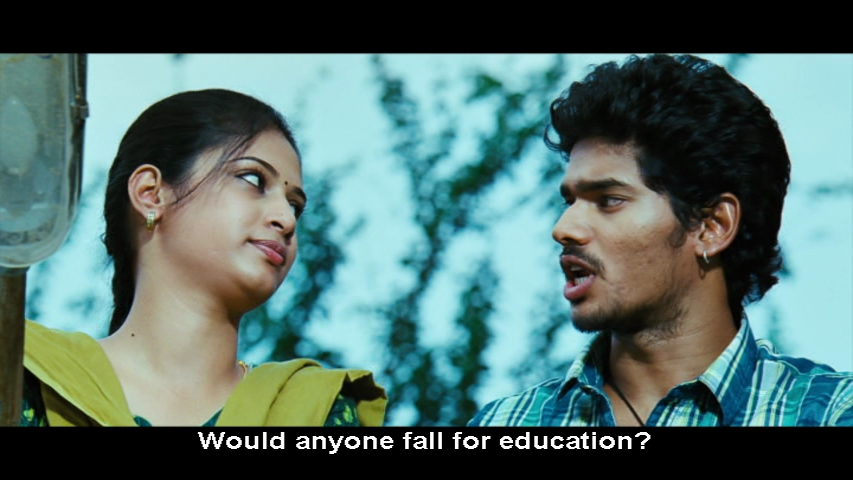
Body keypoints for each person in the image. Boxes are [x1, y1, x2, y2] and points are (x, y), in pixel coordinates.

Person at [469, 54, 853, 426]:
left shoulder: (829, 413)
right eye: (570, 201)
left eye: (609, 200)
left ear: (712, 226)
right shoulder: (505, 422)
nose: (564, 228)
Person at [21, 89, 386, 426]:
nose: (286, 220)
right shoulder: (26, 379)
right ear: (151, 194)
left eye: (295, 206)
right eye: (254, 180)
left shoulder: (318, 412)